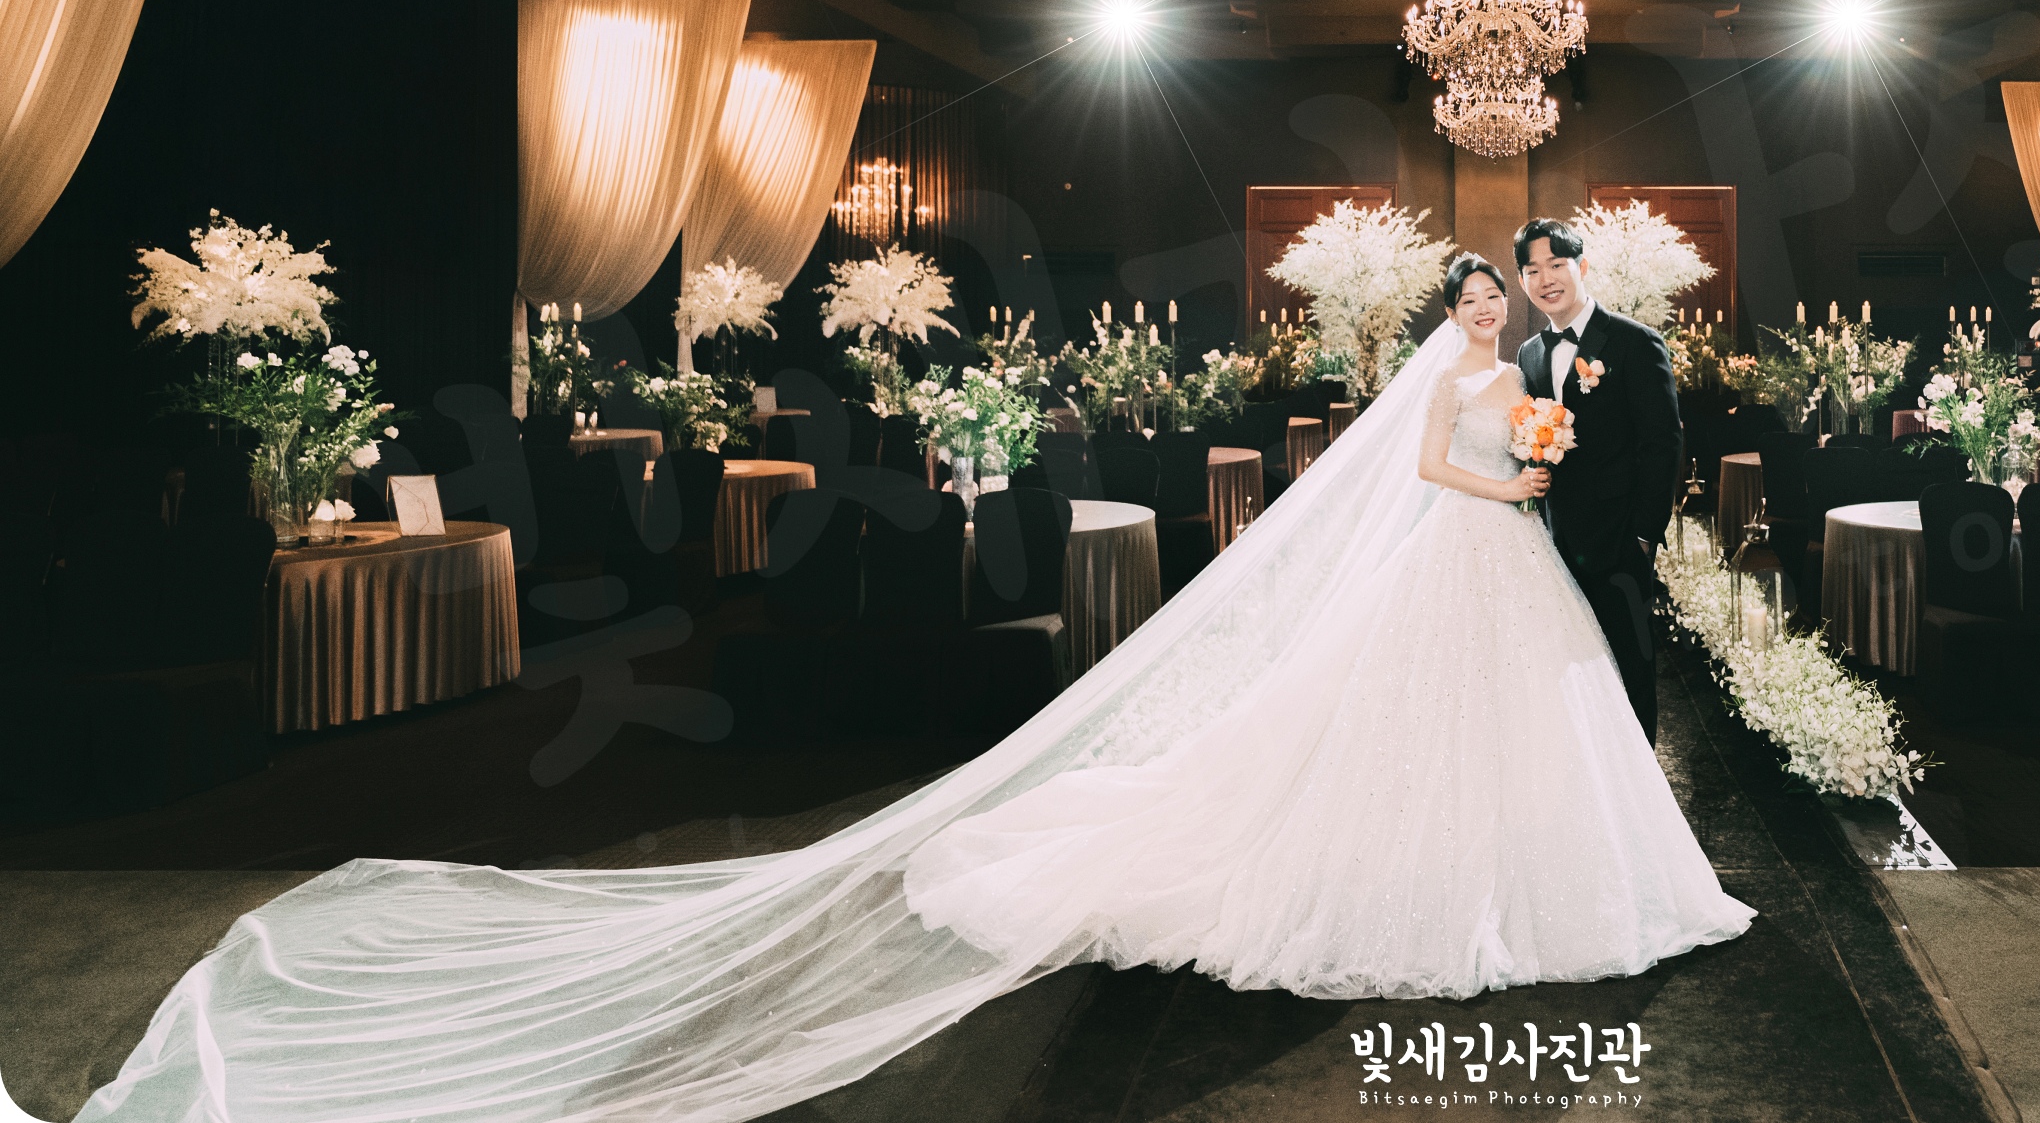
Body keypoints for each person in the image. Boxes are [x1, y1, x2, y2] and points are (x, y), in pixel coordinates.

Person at [18, 256, 1750, 1123]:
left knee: (1509, 720)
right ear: (1457, 310)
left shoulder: (1539, 362)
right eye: (1477, 297)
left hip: (1504, 561)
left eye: (1496, 297)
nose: (1489, 310)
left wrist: (1539, 458)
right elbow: (1439, 471)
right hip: (1473, 540)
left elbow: (1533, 447)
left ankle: (1502, 853)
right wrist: (1511, 470)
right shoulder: (1449, 383)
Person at [1512, 217, 1684, 742]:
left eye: (1556, 264)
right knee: (1567, 673)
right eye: (1533, 270)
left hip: (1620, 542)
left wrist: (1643, 536)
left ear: (1582, 267)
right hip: (1553, 543)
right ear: (1522, 281)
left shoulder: (1635, 342)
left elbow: (1663, 445)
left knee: (1631, 670)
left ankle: (1643, 785)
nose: (1546, 279)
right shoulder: (1529, 354)